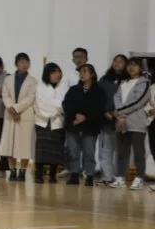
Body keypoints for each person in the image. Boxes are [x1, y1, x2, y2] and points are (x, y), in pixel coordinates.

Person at [62, 64, 106, 186]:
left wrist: (85, 117)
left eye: (85, 71)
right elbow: (66, 104)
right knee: (73, 151)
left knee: (89, 152)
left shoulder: (99, 91)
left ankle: (89, 175)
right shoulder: (73, 89)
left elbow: (99, 108)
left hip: (90, 125)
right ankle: (74, 174)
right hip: (73, 124)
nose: (82, 74)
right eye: (80, 72)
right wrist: (75, 116)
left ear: (92, 74)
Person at [113, 57, 150, 190]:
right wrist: (120, 116)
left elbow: (138, 101)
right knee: (122, 152)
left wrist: (120, 113)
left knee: (138, 153)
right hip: (121, 122)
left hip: (137, 122)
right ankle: (120, 178)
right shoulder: (123, 83)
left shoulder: (144, 83)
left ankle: (139, 178)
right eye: (129, 65)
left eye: (134, 65)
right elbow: (116, 98)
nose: (131, 67)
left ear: (141, 68)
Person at [0, 53, 37, 182]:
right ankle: (12, 170)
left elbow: (30, 98)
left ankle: (22, 171)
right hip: (10, 114)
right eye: (21, 62)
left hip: (25, 114)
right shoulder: (8, 79)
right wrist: (11, 108)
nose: (24, 64)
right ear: (16, 64)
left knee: (25, 145)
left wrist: (16, 109)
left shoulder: (33, 81)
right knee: (10, 144)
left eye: (26, 62)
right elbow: (5, 95)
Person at [34, 63, 67, 184]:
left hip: (58, 123)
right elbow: (40, 105)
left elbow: (65, 104)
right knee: (41, 150)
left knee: (56, 151)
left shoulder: (64, 87)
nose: (57, 74)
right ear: (47, 74)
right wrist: (56, 107)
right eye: (54, 72)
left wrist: (55, 106)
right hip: (42, 121)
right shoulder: (40, 87)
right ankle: (38, 174)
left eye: (58, 72)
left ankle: (53, 175)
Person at [97, 55, 127, 184]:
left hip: (122, 119)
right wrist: (105, 111)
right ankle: (106, 176)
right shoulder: (104, 79)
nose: (117, 63)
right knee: (106, 149)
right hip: (106, 119)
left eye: (121, 61)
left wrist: (118, 114)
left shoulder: (128, 80)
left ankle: (119, 177)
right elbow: (98, 97)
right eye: (115, 61)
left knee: (121, 150)